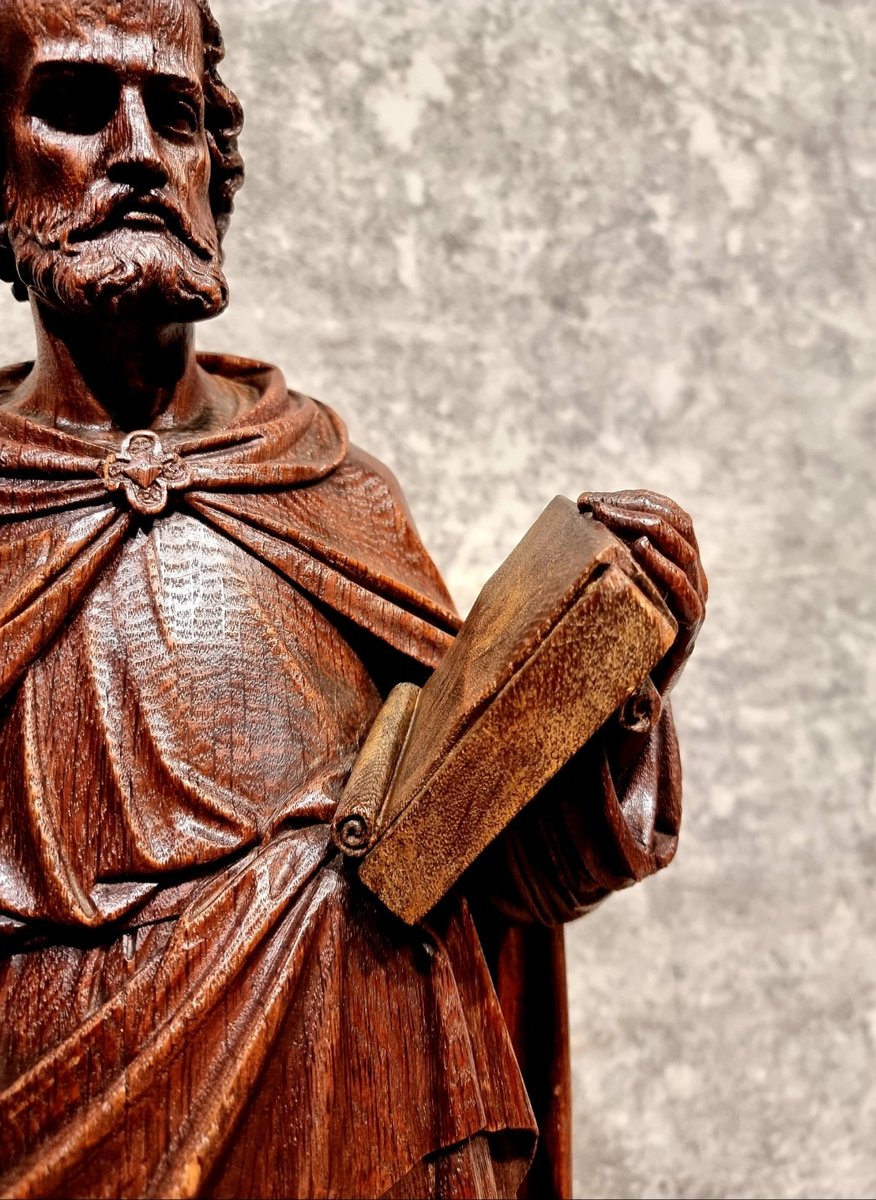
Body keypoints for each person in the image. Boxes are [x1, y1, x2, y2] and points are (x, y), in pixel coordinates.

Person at [0, 1, 707, 1196]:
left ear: (217, 174)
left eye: (174, 115)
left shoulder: (327, 486)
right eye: (75, 106)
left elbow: (496, 869)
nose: (134, 150)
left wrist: (612, 686)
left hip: (379, 1113)